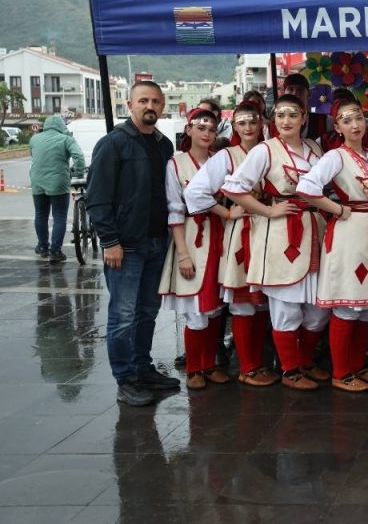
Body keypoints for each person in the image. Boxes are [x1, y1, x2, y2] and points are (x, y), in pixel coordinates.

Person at [223, 93, 329, 392]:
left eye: (293, 115)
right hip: (282, 233)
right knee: (286, 306)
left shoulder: (314, 148)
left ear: (303, 118)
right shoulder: (265, 150)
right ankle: (290, 369)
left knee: (319, 308)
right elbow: (234, 188)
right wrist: (268, 210)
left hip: (314, 228)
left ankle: (305, 361)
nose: (286, 121)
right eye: (280, 115)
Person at [87, 80, 180, 406]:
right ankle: (125, 379)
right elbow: (97, 198)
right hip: (125, 246)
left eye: (155, 101)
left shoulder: (164, 145)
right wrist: (110, 240)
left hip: (156, 242)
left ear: (162, 105)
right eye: (143, 100)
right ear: (130, 105)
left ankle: (142, 368)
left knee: (147, 312)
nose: (149, 106)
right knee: (123, 315)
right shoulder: (113, 144)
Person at [297, 100, 368, 392]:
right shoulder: (335, 157)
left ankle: (358, 365)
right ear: (337, 127)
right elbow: (306, 187)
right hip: (349, 234)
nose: (355, 125)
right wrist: (336, 209)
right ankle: (341, 372)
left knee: (367, 307)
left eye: (358, 118)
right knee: (348, 302)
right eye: (346, 120)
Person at [184, 101, 278, 387]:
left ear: (262, 123)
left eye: (253, 121)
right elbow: (195, 192)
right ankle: (247, 367)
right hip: (243, 231)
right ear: (234, 126)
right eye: (242, 122)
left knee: (262, 303)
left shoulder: (272, 149)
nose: (248, 127)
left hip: (271, 231)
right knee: (243, 302)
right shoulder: (227, 156)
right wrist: (225, 213)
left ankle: (257, 364)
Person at [158, 108, 229, 390]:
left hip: (218, 233)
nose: (207, 134)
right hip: (191, 235)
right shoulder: (175, 164)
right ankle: (194, 368)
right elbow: (174, 209)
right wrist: (183, 254)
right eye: (201, 128)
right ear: (189, 130)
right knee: (196, 308)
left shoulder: (219, 160)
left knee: (214, 306)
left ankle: (209, 364)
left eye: (211, 129)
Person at [29, 115, 85, 262]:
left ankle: (42, 247)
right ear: (61, 126)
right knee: (59, 216)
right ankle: (55, 251)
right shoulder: (66, 139)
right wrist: (78, 172)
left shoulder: (34, 139)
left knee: (40, 214)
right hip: (58, 182)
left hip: (37, 181)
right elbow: (78, 156)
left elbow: (33, 155)